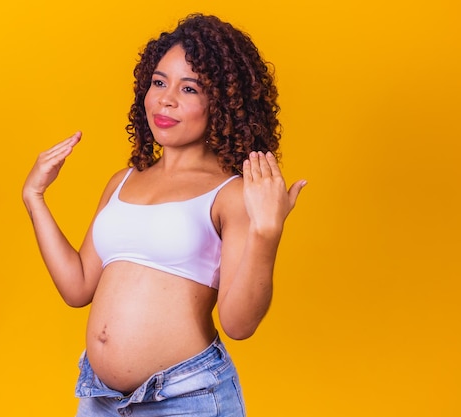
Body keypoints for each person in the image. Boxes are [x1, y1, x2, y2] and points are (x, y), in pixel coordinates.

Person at [22, 13, 306, 417]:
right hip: (99, 399)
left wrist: (266, 233)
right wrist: (35, 196)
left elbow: (239, 325)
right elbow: (78, 288)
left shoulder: (233, 193)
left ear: (222, 103)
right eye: (159, 82)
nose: (166, 99)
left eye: (188, 88)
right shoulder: (122, 181)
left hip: (186, 399)